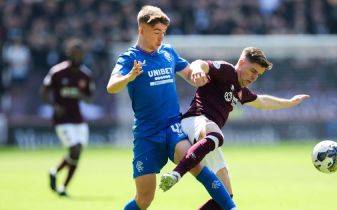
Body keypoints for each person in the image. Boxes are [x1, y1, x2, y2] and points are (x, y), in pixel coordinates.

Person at [106, 5, 236, 210]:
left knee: (195, 164)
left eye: (163, 33)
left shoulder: (168, 53)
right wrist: (129, 76)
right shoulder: (129, 58)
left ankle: (232, 207)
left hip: (172, 127)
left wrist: (197, 73)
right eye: (157, 32)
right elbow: (111, 87)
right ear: (141, 30)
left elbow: (189, 73)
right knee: (144, 199)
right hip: (147, 133)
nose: (161, 38)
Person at [160, 47, 310, 209]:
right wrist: (196, 70)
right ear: (241, 62)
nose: (254, 77)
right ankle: (176, 174)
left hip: (208, 138)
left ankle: (180, 173)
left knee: (224, 198)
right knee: (217, 136)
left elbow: (262, 102)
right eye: (252, 70)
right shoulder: (227, 71)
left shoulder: (240, 91)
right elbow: (201, 63)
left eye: (257, 74)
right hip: (194, 121)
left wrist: (289, 102)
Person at [41, 38, 95, 196]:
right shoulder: (57, 72)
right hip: (62, 119)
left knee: (76, 153)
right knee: (75, 149)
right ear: (68, 54)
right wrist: (53, 105)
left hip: (79, 119)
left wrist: (81, 95)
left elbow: (90, 98)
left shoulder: (85, 74)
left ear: (83, 55)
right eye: (74, 53)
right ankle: (59, 179)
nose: (77, 57)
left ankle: (60, 182)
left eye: (79, 54)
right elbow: (44, 91)